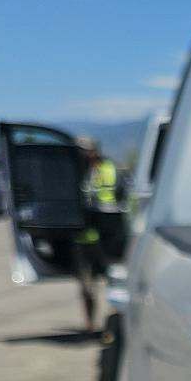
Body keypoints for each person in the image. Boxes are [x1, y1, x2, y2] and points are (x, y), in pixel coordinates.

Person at [73, 136, 124, 333]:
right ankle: (90, 325)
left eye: (85, 150)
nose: (83, 155)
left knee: (115, 282)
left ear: (95, 151)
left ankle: (116, 323)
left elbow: (124, 200)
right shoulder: (74, 173)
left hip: (108, 237)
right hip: (84, 238)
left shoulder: (111, 169)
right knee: (87, 286)